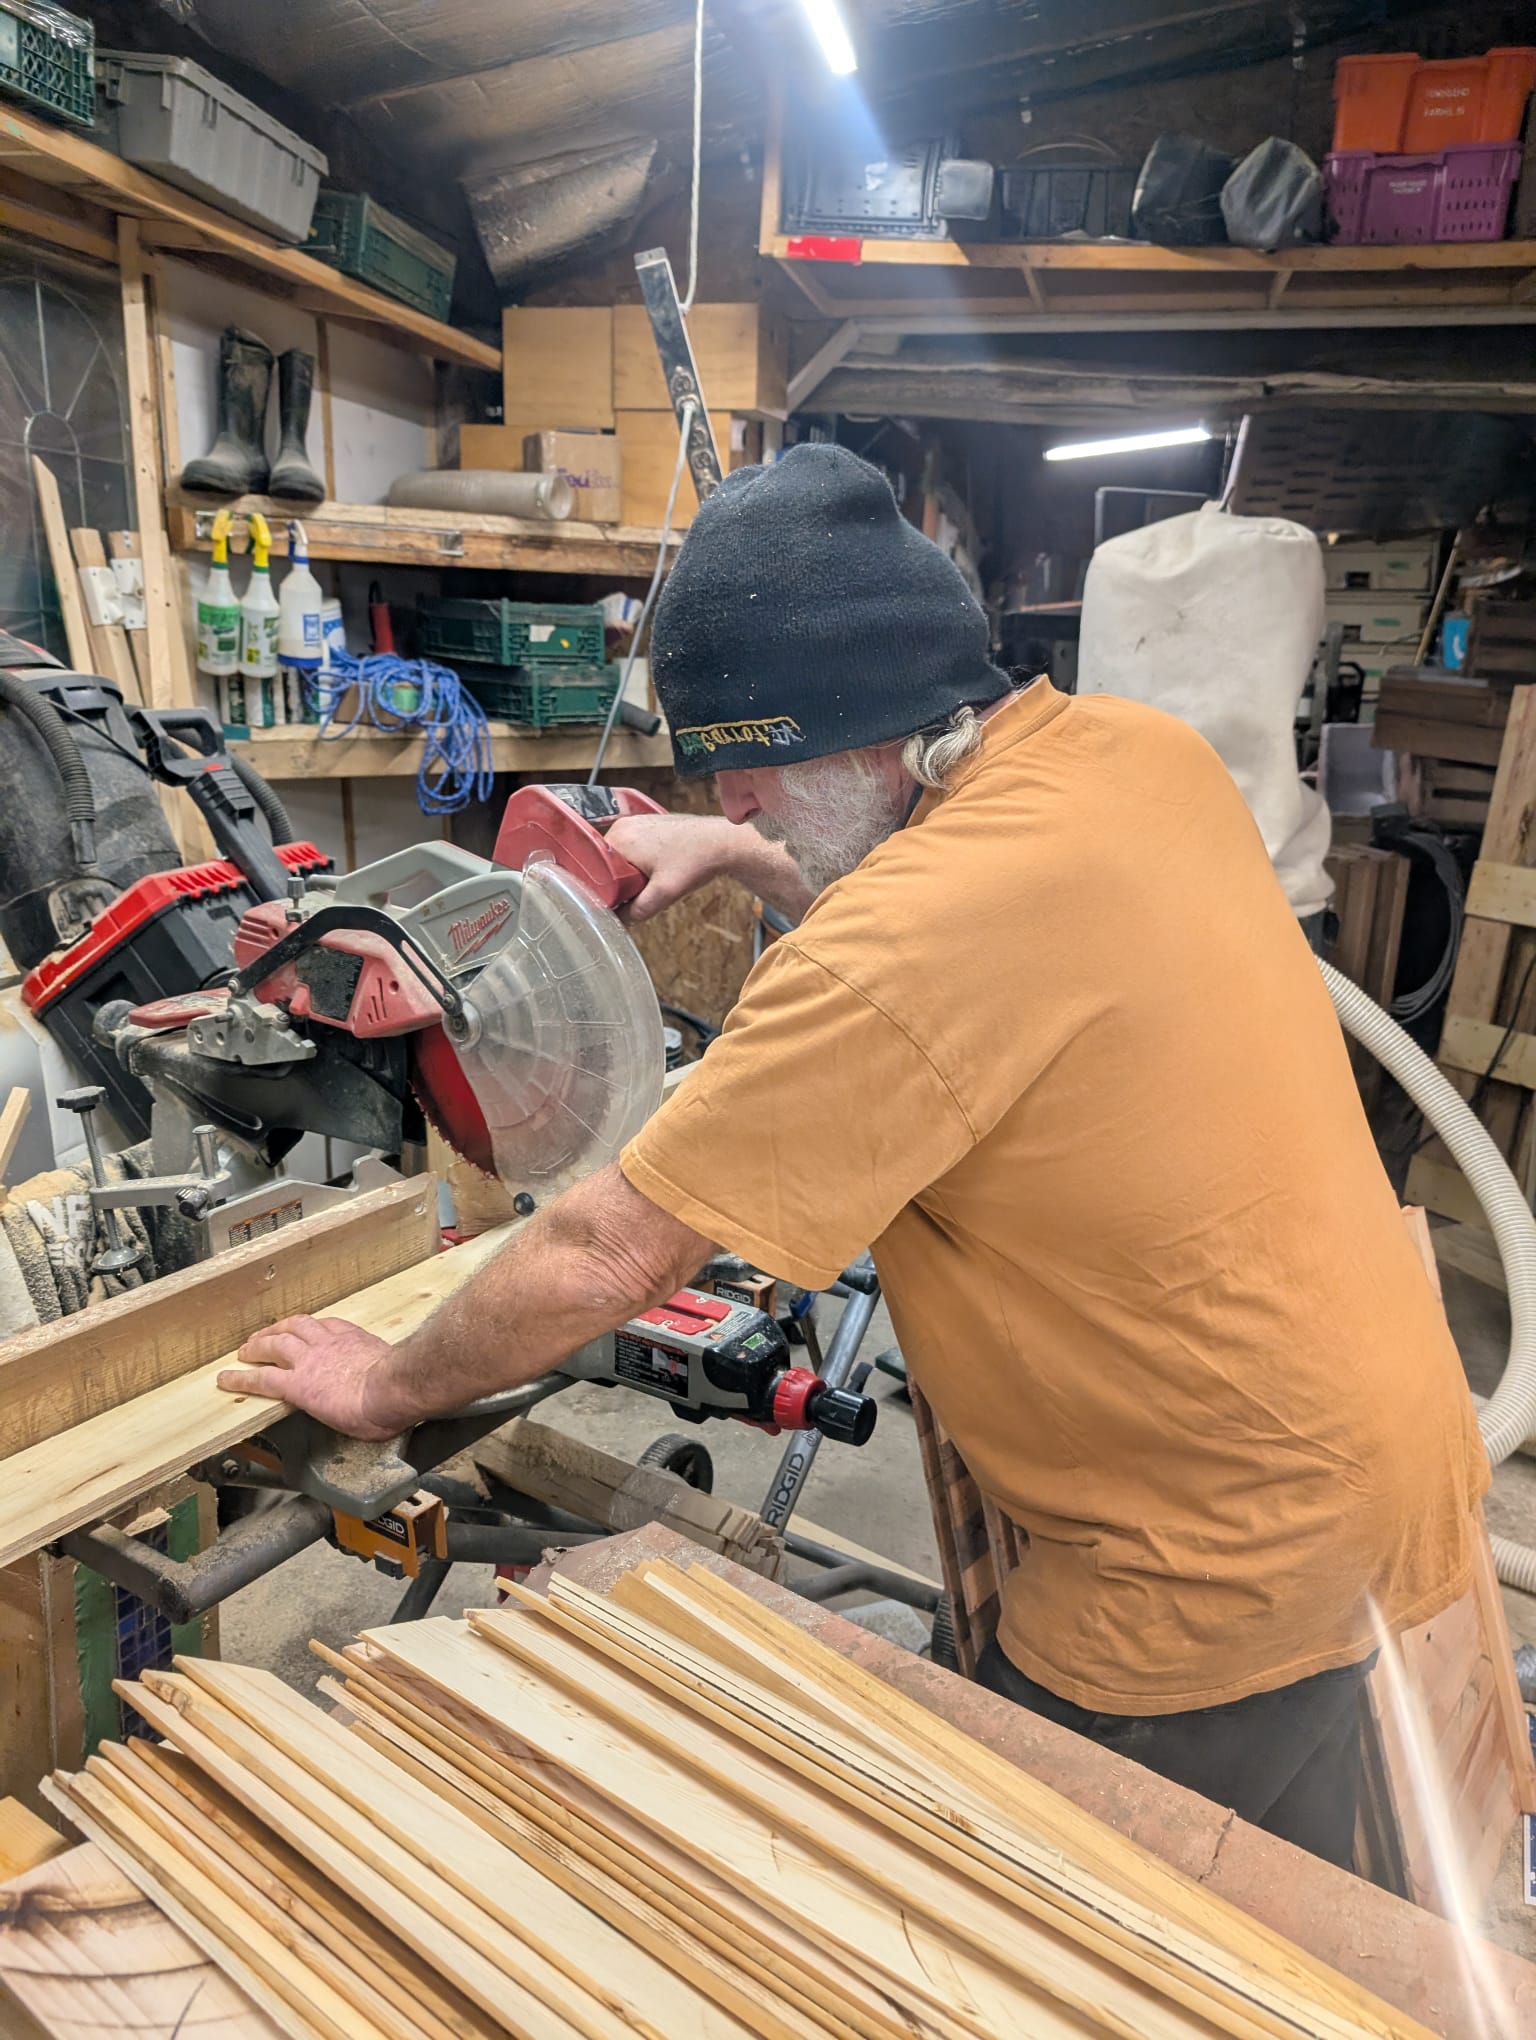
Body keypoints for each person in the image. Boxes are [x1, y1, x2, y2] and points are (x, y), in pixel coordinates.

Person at [220, 443, 1486, 1867]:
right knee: (1295, 1925)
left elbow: (612, 1246)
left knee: (1054, 1922)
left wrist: (386, 1379)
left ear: (868, 728)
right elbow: (963, 918)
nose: (738, 803)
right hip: (1372, 1455)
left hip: (1196, 1556)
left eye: (749, 772)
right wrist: (749, 852)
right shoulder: (1135, 756)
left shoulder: (907, 943)